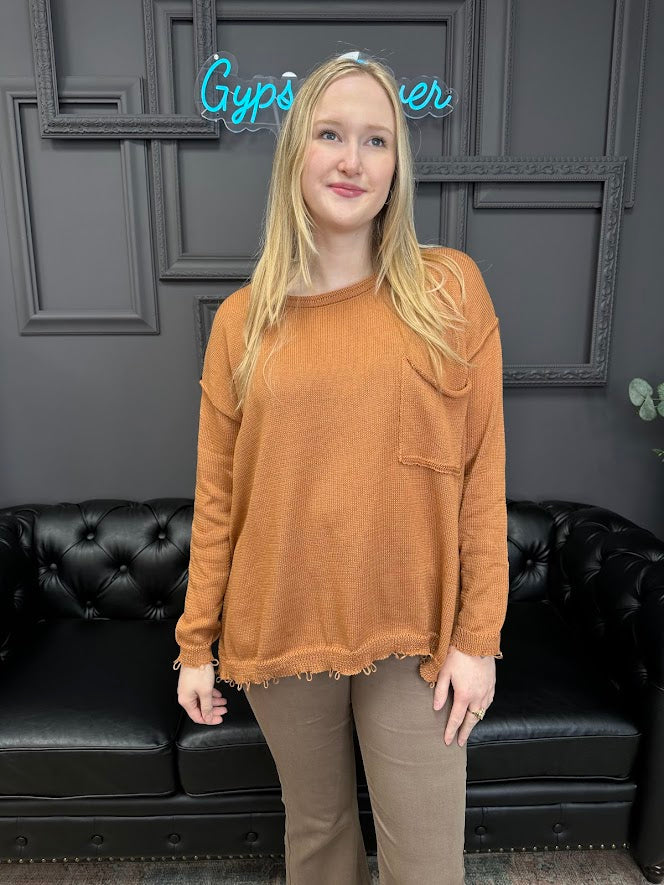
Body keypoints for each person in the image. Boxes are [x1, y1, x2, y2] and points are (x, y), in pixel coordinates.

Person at [172, 49, 509, 885]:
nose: (353, 160)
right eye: (330, 134)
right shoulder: (244, 322)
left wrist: (479, 638)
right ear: (296, 153)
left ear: (398, 167)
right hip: (281, 623)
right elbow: (217, 497)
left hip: (417, 633)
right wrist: (194, 644)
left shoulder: (450, 292)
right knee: (317, 842)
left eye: (377, 140)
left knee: (427, 864)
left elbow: (481, 476)